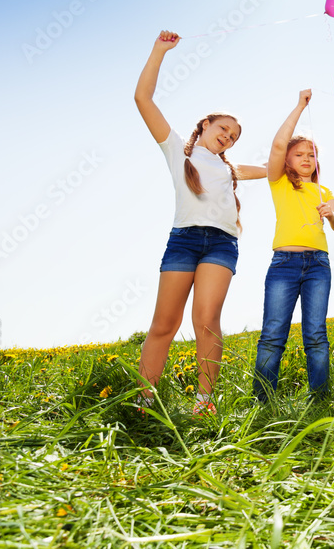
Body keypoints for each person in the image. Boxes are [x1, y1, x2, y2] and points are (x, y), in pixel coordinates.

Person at [133, 30, 266, 415]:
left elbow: (276, 167)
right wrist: (159, 50)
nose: (228, 137)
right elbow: (143, 99)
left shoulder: (230, 169)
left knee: (207, 320)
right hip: (184, 241)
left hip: (222, 244)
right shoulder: (179, 151)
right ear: (206, 124)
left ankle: (204, 401)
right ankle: (145, 399)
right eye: (224, 128)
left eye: (234, 136)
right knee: (164, 324)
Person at [253, 90, 334, 403]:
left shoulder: (324, 190)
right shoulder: (279, 181)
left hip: (319, 265)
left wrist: (332, 214)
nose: (307, 158)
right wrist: (299, 107)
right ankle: (263, 401)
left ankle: (320, 401)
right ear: (287, 161)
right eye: (300, 153)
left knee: (316, 335)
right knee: (273, 334)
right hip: (284, 264)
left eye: (311, 154)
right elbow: (279, 144)